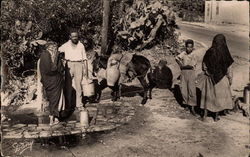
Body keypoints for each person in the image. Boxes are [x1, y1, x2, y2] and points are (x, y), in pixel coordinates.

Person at [198, 34, 234, 122]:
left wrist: (207, 72)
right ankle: (216, 117)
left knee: (207, 97)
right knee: (218, 97)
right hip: (221, 79)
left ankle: (204, 116)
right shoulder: (225, 53)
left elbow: (204, 65)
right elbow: (229, 69)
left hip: (209, 78)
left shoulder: (209, 51)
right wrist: (230, 79)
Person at [58, 29, 88, 110]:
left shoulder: (81, 45)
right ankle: (68, 104)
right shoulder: (66, 45)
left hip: (79, 65)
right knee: (68, 85)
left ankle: (79, 104)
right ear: (70, 37)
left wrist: (86, 70)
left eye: (76, 36)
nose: (75, 38)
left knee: (78, 85)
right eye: (73, 36)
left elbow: (85, 59)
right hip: (69, 65)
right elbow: (58, 51)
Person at [39, 42, 65, 125]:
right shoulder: (46, 55)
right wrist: (57, 56)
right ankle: (52, 119)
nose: (55, 49)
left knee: (54, 99)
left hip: (51, 81)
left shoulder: (46, 55)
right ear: (49, 48)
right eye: (54, 48)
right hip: (52, 81)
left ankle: (55, 118)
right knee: (54, 100)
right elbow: (52, 69)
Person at [175, 39, 197, 116]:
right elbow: (177, 58)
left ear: (193, 47)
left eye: (190, 47)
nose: (189, 49)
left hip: (191, 73)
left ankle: (192, 108)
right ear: (185, 47)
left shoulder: (194, 55)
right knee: (184, 89)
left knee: (192, 90)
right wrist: (180, 65)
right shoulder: (183, 53)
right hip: (184, 73)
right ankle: (186, 105)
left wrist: (183, 67)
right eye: (187, 47)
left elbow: (191, 66)